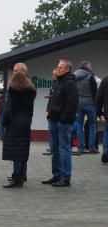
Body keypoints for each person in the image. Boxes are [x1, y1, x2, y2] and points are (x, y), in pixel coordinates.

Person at [45, 59, 78, 187]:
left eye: (60, 67)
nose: (57, 69)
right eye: (57, 67)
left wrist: (63, 119)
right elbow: (53, 101)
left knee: (64, 149)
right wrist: (49, 116)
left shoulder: (70, 83)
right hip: (53, 120)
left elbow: (72, 103)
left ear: (67, 69)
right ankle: (56, 175)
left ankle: (66, 178)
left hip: (63, 122)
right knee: (54, 149)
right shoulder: (57, 82)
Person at [1, 71, 36, 188]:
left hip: (14, 124)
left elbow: (7, 111)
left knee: (15, 153)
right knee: (22, 151)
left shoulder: (12, 92)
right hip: (25, 124)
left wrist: (4, 123)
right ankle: (21, 178)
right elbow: (31, 111)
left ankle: (15, 178)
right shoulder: (31, 93)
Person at [73, 61, 98, 154]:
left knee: (79, 125)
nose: (91, 68)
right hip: (90, 104)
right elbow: (95, 92)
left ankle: (80, 147)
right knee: (92, 125)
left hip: (78, 104)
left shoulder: (74, 77)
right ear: (86, 67)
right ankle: (91, 148)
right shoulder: (90, 77)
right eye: (90, 66)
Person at [96, 74, 108, 164]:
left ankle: (106, 150)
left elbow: (99, 97)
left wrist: (99, 113)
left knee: (107, 131)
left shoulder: (105, 80)